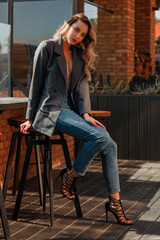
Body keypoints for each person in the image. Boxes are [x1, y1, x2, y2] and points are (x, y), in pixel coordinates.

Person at [20, 13, 132, 225]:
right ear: (67, 25)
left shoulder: (79, 56)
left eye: (83, 34)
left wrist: (86, 114)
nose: (78, 36)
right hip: (51, 110)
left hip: (70, 109)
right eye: (76, 30)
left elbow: (81, 89)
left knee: (110, 145)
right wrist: (29, 118)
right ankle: (71, 177)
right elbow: (35, 86)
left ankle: (114, 202)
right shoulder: (47, 48)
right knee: (100, 137)